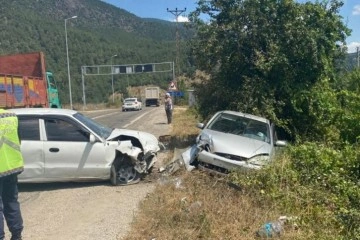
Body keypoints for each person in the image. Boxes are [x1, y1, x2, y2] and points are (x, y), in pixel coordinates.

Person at [0, 109, 24, 240]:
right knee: (11, 202)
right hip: (12, 167)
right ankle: (17, 235)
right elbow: (19, 140)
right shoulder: (11, 116)